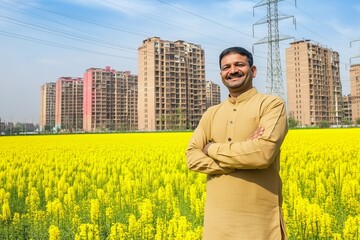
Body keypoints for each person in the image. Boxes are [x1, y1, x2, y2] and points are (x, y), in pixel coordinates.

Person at [186, 46, 288, 239]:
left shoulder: (271, 105)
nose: (232, 70)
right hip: (217, 223)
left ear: (253, 70)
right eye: (226, 67)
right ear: (222, 74)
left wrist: (211, 148)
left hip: (260, 222)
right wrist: (242, 158)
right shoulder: (211, 113)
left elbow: (262, 154)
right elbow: (192, 158)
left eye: (239, 65)